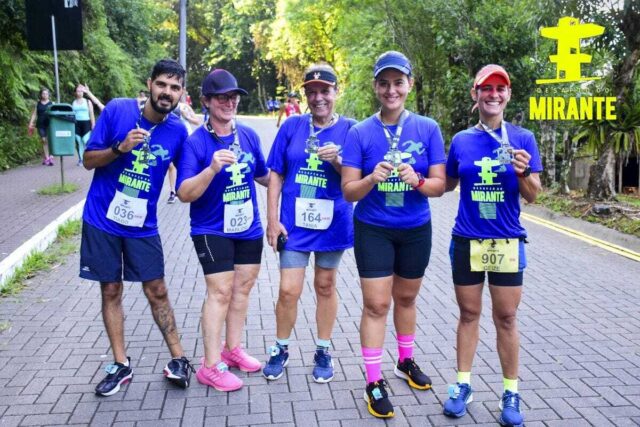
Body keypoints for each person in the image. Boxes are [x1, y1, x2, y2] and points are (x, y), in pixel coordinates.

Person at [341, 51, 446, 418]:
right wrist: (372, 178)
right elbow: (348, 192)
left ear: (409, 85)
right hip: (373, 229)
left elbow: (440, 186)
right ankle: (373, 381)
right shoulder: (360, 132)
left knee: (406, 298)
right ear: (375, 87)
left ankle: (405, 361)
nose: (391, 90)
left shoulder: (428, 128)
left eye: (398, 82)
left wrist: (417, 181)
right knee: (376, 305)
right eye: (384, 83)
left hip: (415, 229)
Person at [79, 59, 194, 397]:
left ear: (181, 94)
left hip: (142, 225)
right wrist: (119, 148)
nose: (167, 92)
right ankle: (120, 363)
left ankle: (179, 359)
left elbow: (188, 173)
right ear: (149, 84)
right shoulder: (117, 110)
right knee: (111, 289)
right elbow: (88, 160)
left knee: (157, 289)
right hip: (102, 219)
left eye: (174, 88)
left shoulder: (177, 131)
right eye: (162, 85)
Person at [442, 64, 542, 427]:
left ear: (508, 95)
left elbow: (533, 195)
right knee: (468, 315)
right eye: (487, 88)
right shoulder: (461, 140)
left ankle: (510, 392)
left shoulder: (523, 138)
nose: (493, 94)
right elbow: (446, 183)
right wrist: (414, 177)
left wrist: (523, 173)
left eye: (500, 88)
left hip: (507, 240)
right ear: (476, 94)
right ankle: (463, 385)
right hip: (467, 239)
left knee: (507, 318)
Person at [176, 69, 270, 392]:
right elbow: (184, 192)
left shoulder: (249, 136)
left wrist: (292, 179)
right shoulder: (196, 142)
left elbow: (264, 175)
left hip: (248, 227)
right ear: (206, 101)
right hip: (211, 228)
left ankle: (232, 349)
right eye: (221, 98)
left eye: (233, 97)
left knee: (242, 289)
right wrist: (212, 168)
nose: (229, 103)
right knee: (220, 292)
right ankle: (210, 365)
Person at [262, 64, 356, 383]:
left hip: (333, 222)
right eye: (312, 92)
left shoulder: (351, 130)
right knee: (288, 290)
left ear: (336, 92)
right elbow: (276, 174)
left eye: (324, 91)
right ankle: (280, 347)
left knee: (325, 285)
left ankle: (323, 349)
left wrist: (338, 160)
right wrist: (272, 219)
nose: (318, 98)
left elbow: (358, 179)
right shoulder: (292, 126)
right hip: (293, 224)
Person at [28, 88, 54, 166]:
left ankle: (50, 156)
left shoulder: (52, 103)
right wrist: (31, 123)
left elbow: (56, 114)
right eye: (43, 93)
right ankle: (47, 158)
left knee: (49, 140)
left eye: (46, 94)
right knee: (43, 140)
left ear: (48, 95)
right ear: (41, 94)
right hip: (40, 125)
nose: (45, 95)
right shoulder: (38, 104)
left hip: (50, 124)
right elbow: (34, 114)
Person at [72, 84, 96, 166]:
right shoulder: (73, 103)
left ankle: (89, 157)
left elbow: (91, 113)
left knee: (86, 140)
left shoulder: (88, 102)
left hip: (86, 123)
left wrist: (93, 124)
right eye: (78, 91)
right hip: (76, 123)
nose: (80, 93)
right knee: (79, 141)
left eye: (81, 91)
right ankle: (81, 159)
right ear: (75, 92)